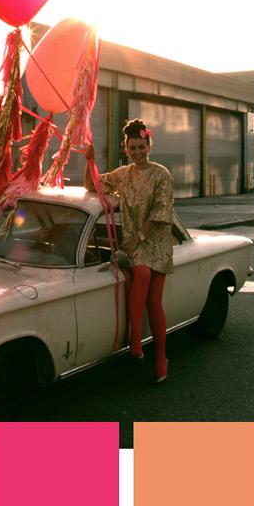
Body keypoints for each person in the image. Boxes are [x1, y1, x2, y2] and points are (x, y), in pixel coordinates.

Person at [84, 118, 174, 382]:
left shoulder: (162, 174)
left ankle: (159, 357)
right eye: (132, 148)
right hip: (133, 245)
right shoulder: (123, 174)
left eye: (141, 146)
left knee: (155, 302)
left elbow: (161, 212)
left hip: (156, 242)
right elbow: (94, 185)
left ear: (149, 144)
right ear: (126, 149)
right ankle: (136, 344)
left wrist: (139, 238)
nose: (137, 152)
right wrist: (90, 160)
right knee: (142, 275)